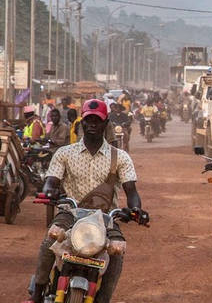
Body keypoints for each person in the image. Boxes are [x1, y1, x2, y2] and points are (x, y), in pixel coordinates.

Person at [25, 99, 149, 303]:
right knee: (50, 239)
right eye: (88, 120)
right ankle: (37, 294)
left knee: (117, 252)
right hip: (70, 213)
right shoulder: (64, 153)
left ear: (106, 122)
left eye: (97, 120)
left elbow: (131, 190)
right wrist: (49, 192)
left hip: (106, 219)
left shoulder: (121, 158)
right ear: (82, 122)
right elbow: (51, 181)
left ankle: (103, 299)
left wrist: (135, 209)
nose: (92, 124)